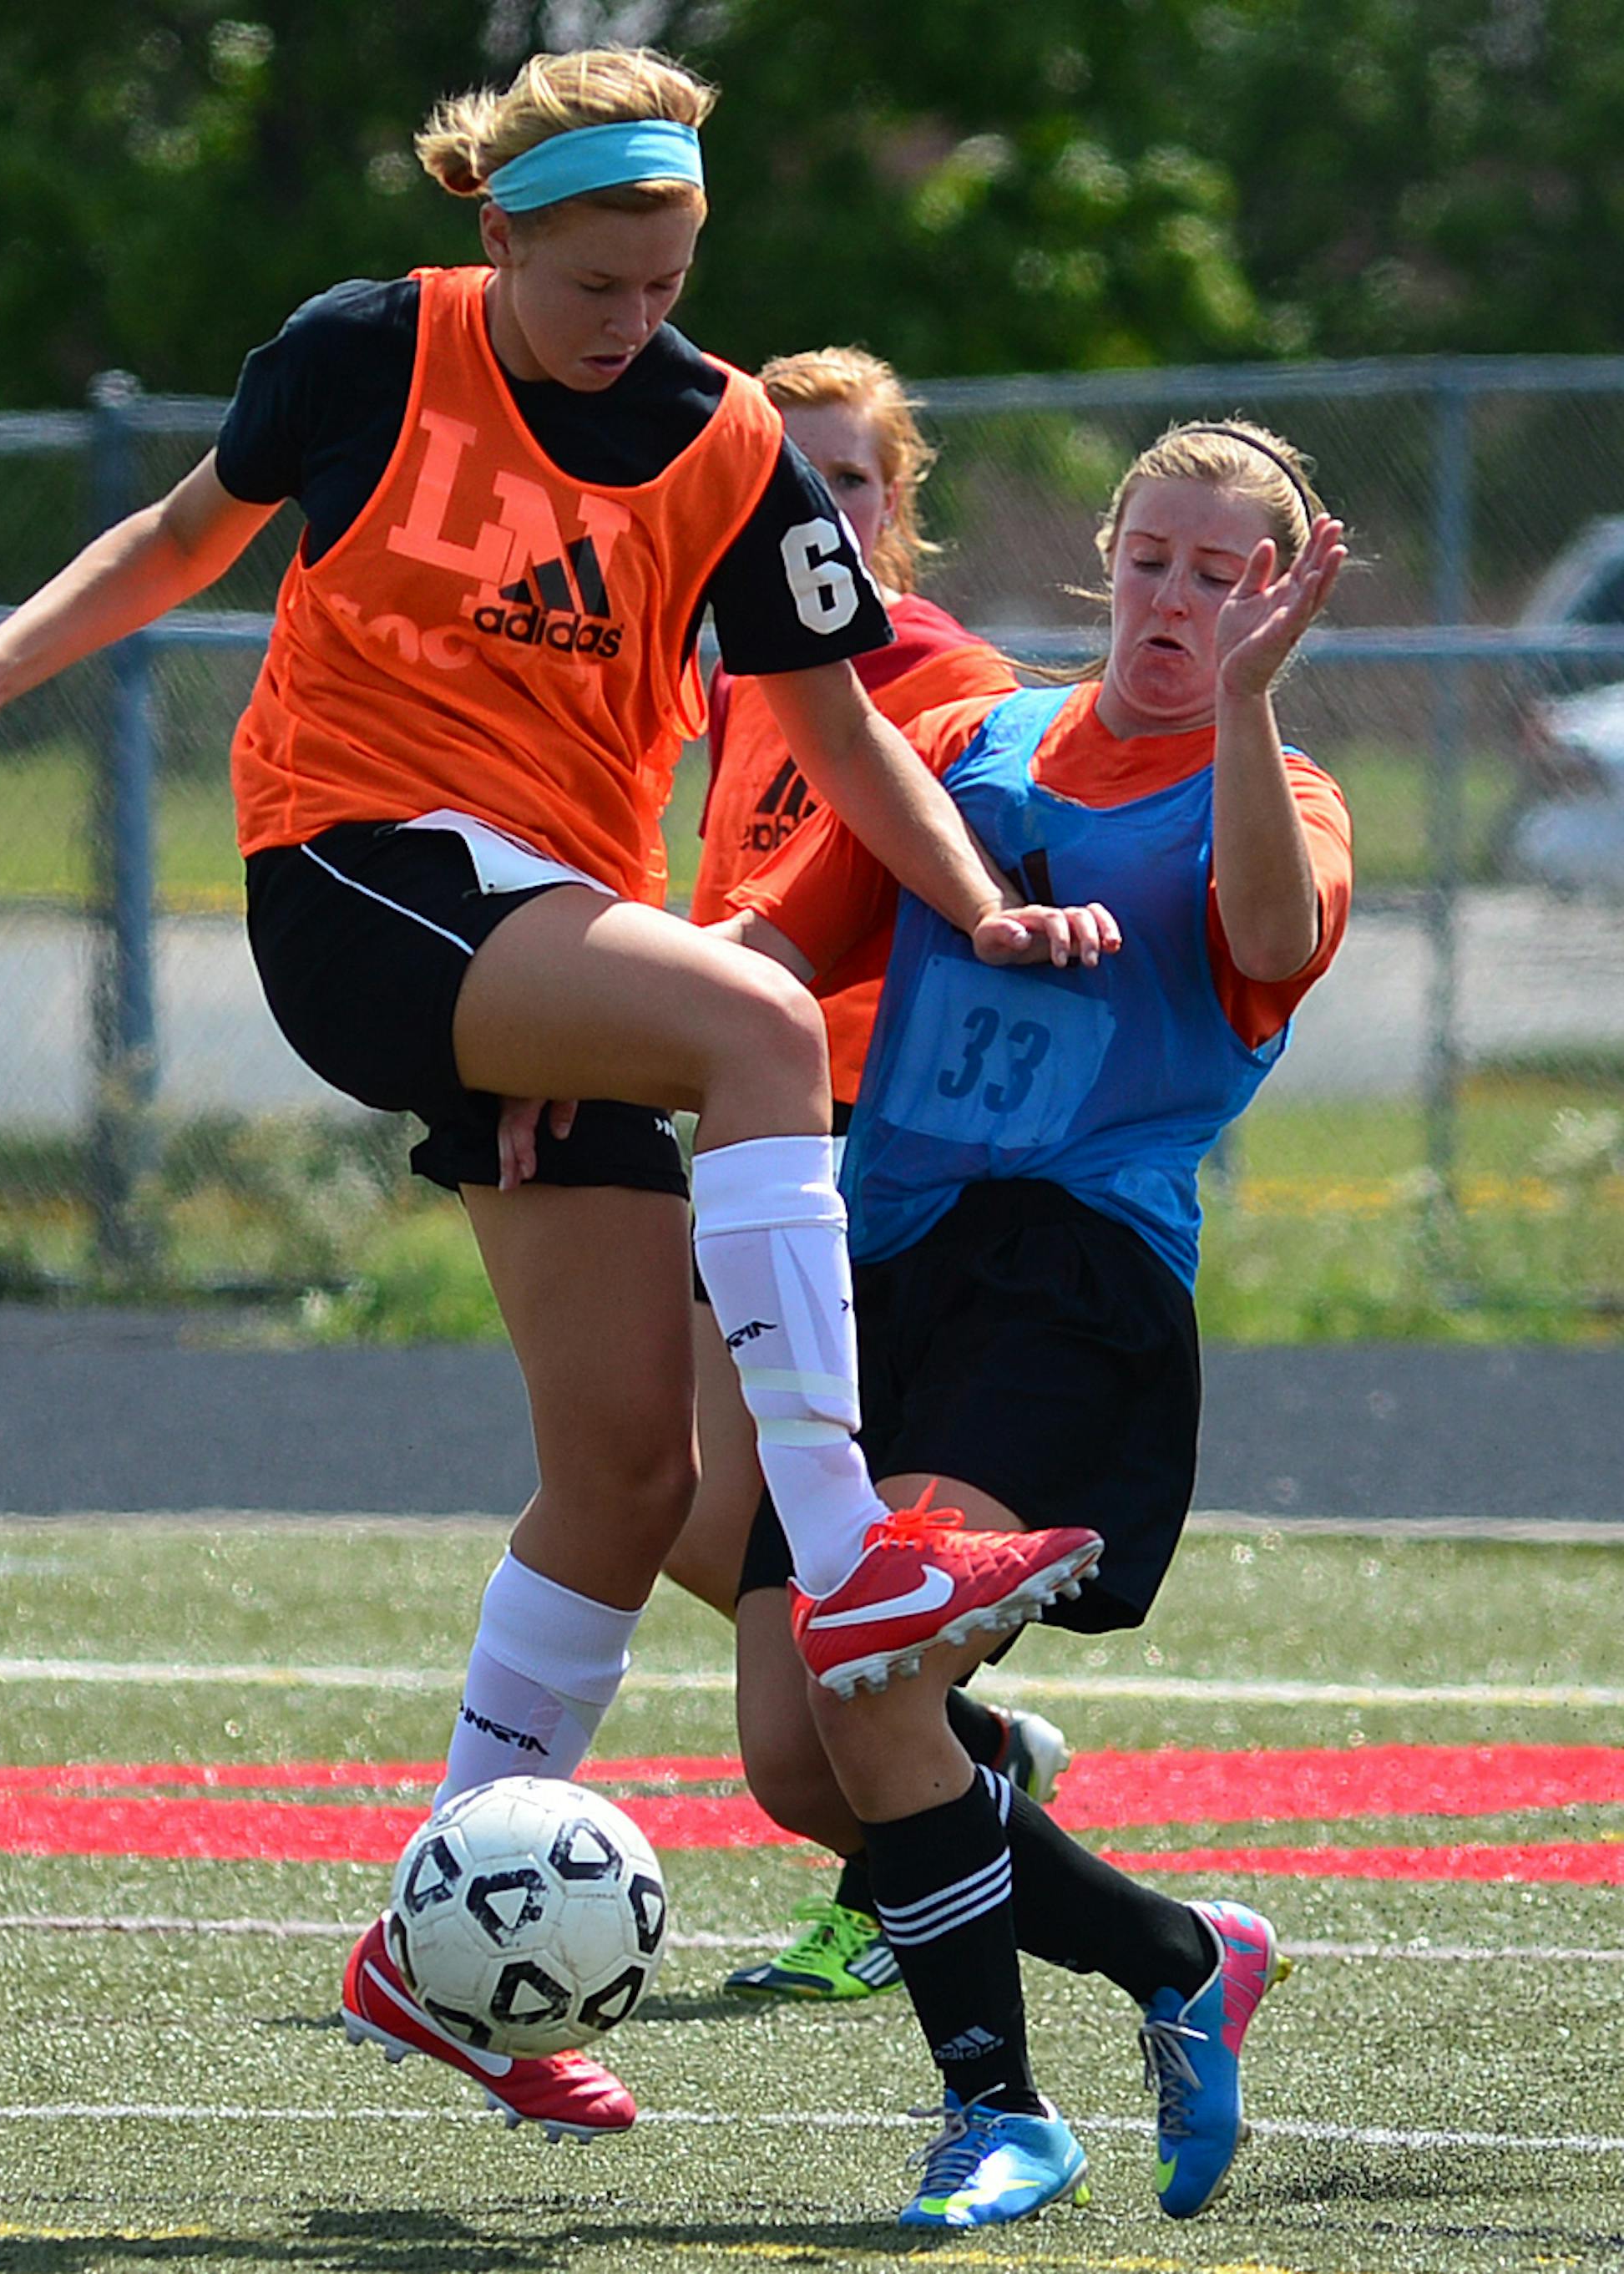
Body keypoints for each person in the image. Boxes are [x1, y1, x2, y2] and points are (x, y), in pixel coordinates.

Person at [0, 47, 1103, 2144]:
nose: (639, 319)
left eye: (669, 276)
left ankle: (436, 1966)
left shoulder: (723, 442)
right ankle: (857, 1546)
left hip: (545, 938)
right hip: (361, 877)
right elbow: (180, 538)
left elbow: (848, 724)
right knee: (762, 1034)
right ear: (498, 234)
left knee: (617, 1477)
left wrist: (977, 898)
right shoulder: (371, 349)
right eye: (599, 278)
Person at [715, 419, 1352, 2224]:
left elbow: (1262, 925)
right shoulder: (962, 745)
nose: (1182, 598)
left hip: (1072, 1272)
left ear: (1278, 600)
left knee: (878, 1666)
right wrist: (580, 1037)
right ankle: (1170, 1953)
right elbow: (778, 949)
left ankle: (1001, 2114)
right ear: (1107, 557)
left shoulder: (1288, 790)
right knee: (799, 1752)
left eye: (1227, 577)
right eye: (1156, 559)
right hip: (880, 1259)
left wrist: (1239, 706)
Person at [675, 345, 1075, 2001]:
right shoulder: (737, 666)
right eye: (790, 476)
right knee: (683, 1511)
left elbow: (948, 882)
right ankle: (971, 1755)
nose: (817, 507)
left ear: (898, 506)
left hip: (860, 1140)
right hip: (740, 1110)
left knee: (770, 1542)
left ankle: (894, 1851)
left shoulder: (938, 671)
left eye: (850, 479)